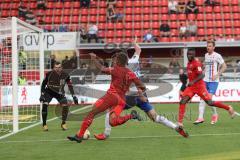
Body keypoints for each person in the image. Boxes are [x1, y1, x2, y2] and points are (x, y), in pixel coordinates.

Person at [94, 38, 188, 140]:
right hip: (141, 94)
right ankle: (175, 127)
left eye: (116, 59)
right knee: (154, 117)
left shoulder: (123, 70)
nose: (115, 62)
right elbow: (138, 49)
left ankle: (106, 134)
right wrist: (134, 42)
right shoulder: (134, 60)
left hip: (132, 96)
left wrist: (139, 93)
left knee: (110, 108)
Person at [67, 52, 146, 143]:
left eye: (116, 60)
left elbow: (102, 69)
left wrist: (94, 59)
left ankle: (79, 135)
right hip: (121, 100)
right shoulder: (131, 73)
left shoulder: (115, 69)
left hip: (111, 97)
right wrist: (140, 93)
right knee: (113, 122)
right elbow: (142, 86)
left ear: (119, 61)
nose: (114, 61)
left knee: (92, 113)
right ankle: (132, 115)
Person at [178, 49, 237, 127]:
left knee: (210, 103)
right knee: (182, 101)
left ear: (194, 55)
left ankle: (228, 108)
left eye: (191, 54)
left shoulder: (196, 63)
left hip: (199, 87)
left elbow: (202, 75)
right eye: (188, 54)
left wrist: (193, 81)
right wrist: (190, 82)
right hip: (191, 87)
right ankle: (180, 123)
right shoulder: (189, 63)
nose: (189, 55)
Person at [194, 41, 227, 125]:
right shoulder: (206, 55)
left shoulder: (217, 56)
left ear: (213, 47)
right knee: (202, 99)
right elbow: (206, 67)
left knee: (208, 99)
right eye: (207, 46)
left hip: (213, 82)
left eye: (210, 46)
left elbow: (224, 66)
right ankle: (200, 118)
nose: (208, 47)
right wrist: (202, 72)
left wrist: (217, 74)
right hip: (205, 81)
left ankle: (215, 114)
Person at [39, 62, 78, 131]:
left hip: (59, 93)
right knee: (45, 105)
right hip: (49, 92)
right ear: (54, 68)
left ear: (61, 68)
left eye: (59, 67)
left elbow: (70, 86)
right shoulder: (49, 74)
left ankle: (63, 123)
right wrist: (42, 94)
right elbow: (43, 84)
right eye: (56, 68)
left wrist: (74, 96)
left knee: (65, 106)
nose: (57, 69)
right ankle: (44, 124)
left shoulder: (65, 75)